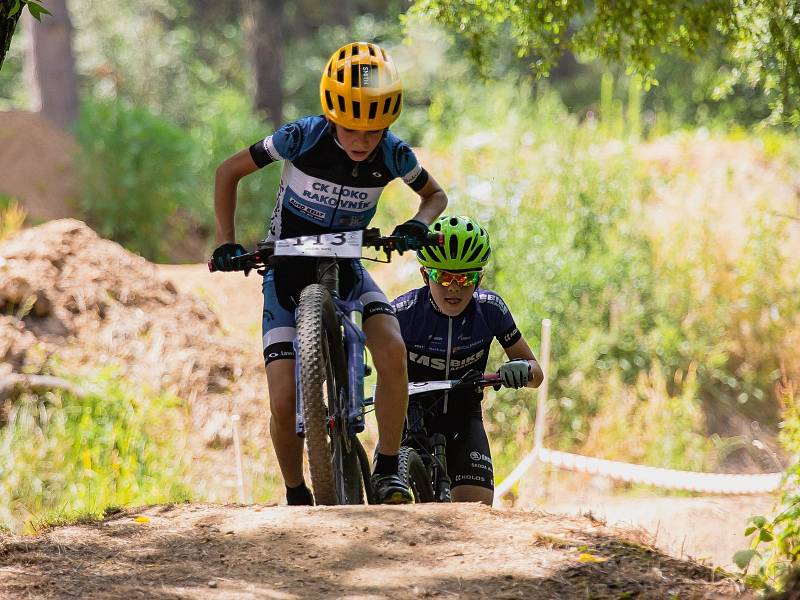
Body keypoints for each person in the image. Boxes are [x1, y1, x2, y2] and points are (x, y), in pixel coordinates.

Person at [210, 42, 448, 505]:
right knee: (282, 400)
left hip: (347, 265)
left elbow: (435, 196)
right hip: (286, 270)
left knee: (394, 350)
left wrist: (417, 226)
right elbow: (228, 171)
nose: (362, 140)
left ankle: (388, 467)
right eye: (351, 128)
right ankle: (297, 492)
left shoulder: (395, 155)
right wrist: (225, 240)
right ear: (332, 115)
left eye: (374, 131)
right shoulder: (301, 137)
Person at [391, 215, 543, 505]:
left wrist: (520, 369)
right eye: (444, 277)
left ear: (479, 278)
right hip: (408, 418)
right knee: (389, 510)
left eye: (465, 278)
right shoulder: (402, 312)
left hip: (464, 418)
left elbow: (537, 375)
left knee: (476, 513)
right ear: (425, 276)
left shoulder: (490, 309)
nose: (454, 288)